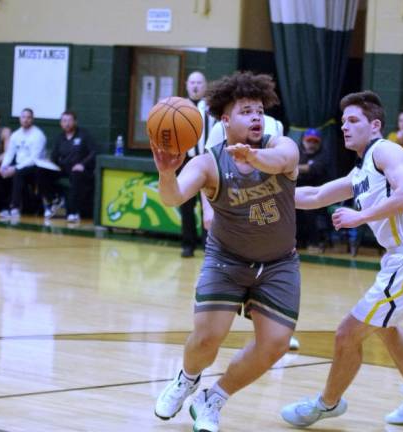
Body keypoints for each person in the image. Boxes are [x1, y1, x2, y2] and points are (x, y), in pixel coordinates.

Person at [280, 91, 403, 427]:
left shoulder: (386, 150)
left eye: (353, 121)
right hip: (402, 260)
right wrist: (260, 195)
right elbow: (314, 195)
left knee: (347, 333)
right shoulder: (361, 171)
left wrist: (359, 216)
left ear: (375, 125)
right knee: (387, 328)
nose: (345, 127)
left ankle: (326, 404)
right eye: (342, 122)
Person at [152, 71, 300, 432]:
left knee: (276, 344)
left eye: (259, 110)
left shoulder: (282, 146)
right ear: (225, 119)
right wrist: (167, 173)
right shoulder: (208, 162)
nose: (256, 117)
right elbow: (173, 197)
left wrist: (254, 157)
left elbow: (279, 163)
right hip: (227, 260)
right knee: (207, 338)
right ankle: (187, 379)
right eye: (246, 111)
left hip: (278, 263)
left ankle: (212, 398)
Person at [179, 71, 216, 257]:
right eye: (192, 82)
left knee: (208, 205)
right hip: (185, 161)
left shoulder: (212, 108)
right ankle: (188, 244)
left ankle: (207, 244)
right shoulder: (179, 107)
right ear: (186, 84)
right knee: (186, 204)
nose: (195, 86)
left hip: (207, 160)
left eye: (199, 83)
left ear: (205, 85)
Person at [0, 108, 46, 219]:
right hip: (18, 165)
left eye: (28, 117)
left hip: (34, 168)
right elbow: (9, 153)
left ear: (32, 119)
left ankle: (14, 208)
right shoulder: (16, 135)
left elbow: (34, 158)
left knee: (18, 173)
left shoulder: (38, 135)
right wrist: (3, 167)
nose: (26, 120)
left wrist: (15, 169)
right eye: (23, 117)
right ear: (20, 119)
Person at [39, 111, 97, 222]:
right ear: (61, 123)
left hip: (79, 169)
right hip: (63, 168)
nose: (67, 123)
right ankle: (53, 199)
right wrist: (48, 163)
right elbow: (54, 156)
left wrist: (82, 164)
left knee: (76, 175)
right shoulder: (60, 138)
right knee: (41, 172)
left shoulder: (84, 135)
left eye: (70, 120)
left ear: (75, 121)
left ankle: (72, 212)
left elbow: (93, 152)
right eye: (64, 121)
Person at [296, 127, 329, 252]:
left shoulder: (323, 155)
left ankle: (314, 243)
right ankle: (296, 242)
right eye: (309, 141)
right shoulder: (297, 153)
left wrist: (295, 168)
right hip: (298, 192)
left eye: (315, 142)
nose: (311, 144)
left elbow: (313, 169)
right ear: (303, 141)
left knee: (309, 211)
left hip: (318, 194)